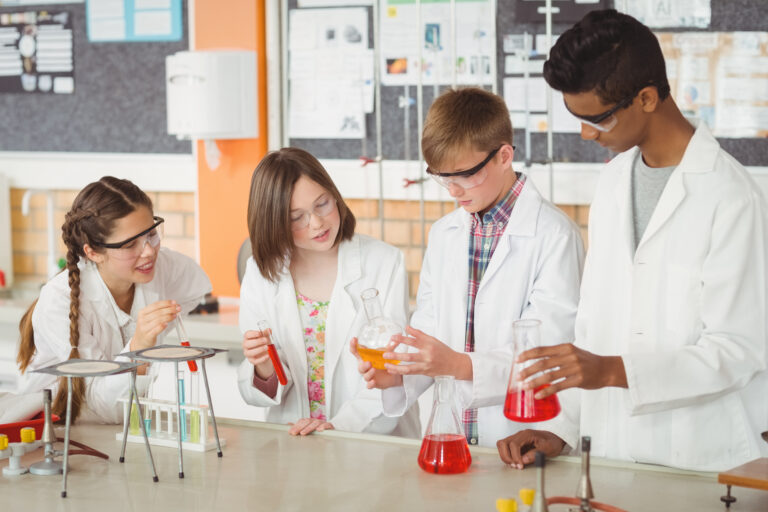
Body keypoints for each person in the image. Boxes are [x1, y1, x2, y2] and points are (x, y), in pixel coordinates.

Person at [496, 9, 768, 472]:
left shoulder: (732, 196)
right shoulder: (614, 181)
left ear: (645, 98)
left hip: (698, 459)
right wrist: (561, 430)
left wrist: (613, 371)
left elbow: (738, 348)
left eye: (597, 119)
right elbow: (593, 329)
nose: (585, 134)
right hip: (609, 453)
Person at [352, 87, 584, 447]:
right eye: (442, 177)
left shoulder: (554, 235)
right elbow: (431, 330)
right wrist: (397, 377)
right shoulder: (445, 234)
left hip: (521, 434)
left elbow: (547, 353)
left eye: (463, 175)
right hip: (453, 435)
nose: (453, 191)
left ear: (504, 156)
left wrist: (457, 365)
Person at [237, 147, 420, 437]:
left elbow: (392, 373)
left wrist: (337, 427)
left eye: (322, 204)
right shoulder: (261, 275)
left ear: (334, 194)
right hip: (295, 445)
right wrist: (262, 367)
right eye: (297, 217)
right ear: (274, 223)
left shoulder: (383, 263)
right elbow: (258, 393)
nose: (317, 223)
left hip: (371, 442)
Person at [17, 176, 211, 423]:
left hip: (120, 429)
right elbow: (101, 405)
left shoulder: (164, 268)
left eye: (151, 233)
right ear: (93, 252)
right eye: (130, 245)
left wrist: (152, 333)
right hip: (54, 433)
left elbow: (196, 288)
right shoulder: (59, 300)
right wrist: (139, 346)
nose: (149, 251)